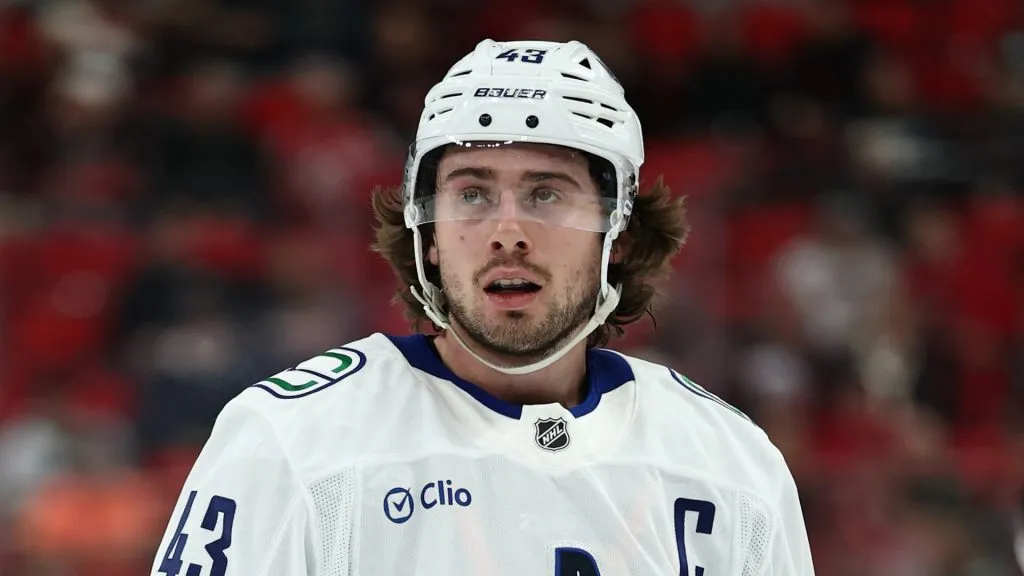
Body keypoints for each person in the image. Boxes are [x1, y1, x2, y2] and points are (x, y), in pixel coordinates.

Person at [149, 39, 815, 575]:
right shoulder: (291, 441)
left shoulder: (731, 464)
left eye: (547, 194)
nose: (506, 230)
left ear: (621, 235)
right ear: (429, 237)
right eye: (471, 194)